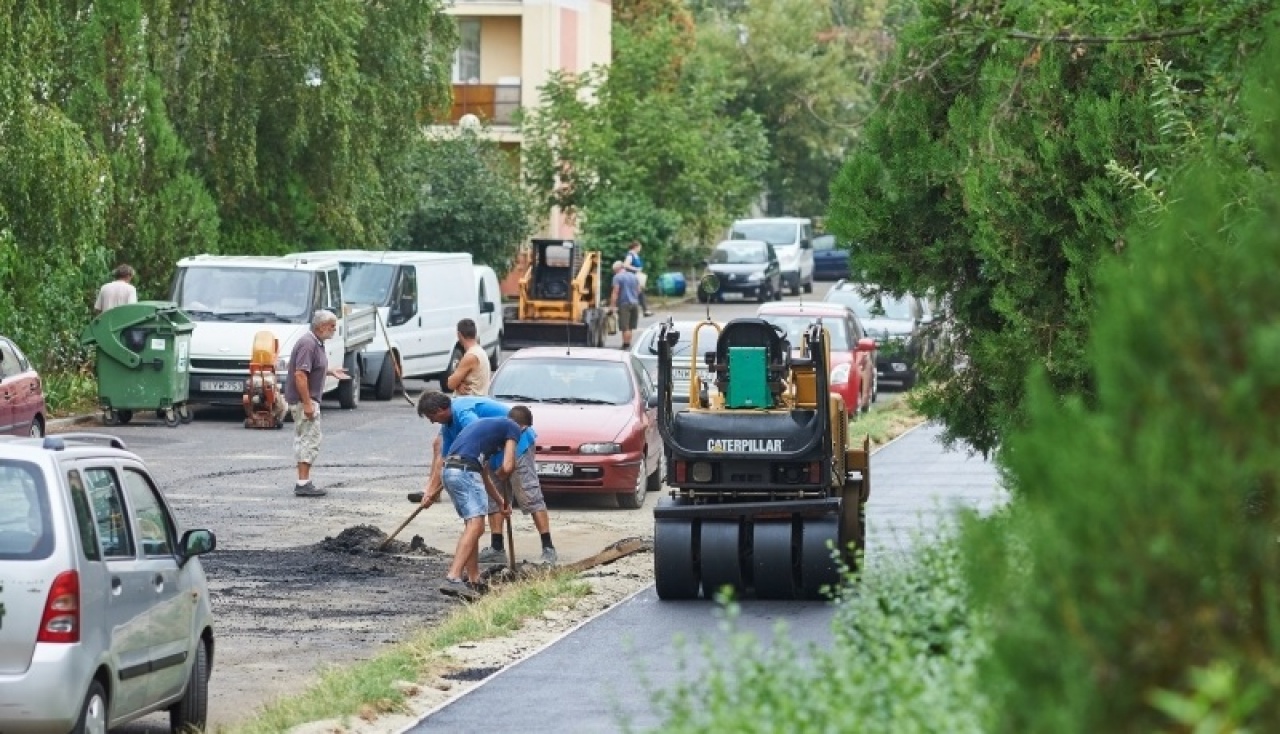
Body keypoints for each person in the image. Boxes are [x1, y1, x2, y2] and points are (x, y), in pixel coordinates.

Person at [417, 414, 517, 600]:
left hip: (451, 471)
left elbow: (484, 473)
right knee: (476, 526)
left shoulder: (485, 431)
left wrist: (501, 500)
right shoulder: (513, 427)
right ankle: (453, 577)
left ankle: (474, 579)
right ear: (524, 427)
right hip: (465, 472)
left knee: (472, 526)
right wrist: (504, 471)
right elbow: (508, 466)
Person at [418, 391, 513, 561]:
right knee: (473, 523)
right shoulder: (447, 425)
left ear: (442, 409)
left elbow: (481, 433)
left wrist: (502, 469)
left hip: (505, 447)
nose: (432, 421)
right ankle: (473, 574)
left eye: (432, 416)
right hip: (478, 460)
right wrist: (430, 491)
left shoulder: (463, 413)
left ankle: (455, 574)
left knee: (475, 523)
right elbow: (444, 457)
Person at [284, 310, 349, 497]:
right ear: (321, 327)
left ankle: (304, 481)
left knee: (307, 437)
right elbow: (300, 375)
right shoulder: (308, 344)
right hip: (306, 400)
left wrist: (329, 371)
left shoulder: (315, 342)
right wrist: (307, 403)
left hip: (308, 399)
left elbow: (312, 368)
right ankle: (303, 483)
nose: (334, 330)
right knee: (309, 439)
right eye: (332, 326)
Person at [488, 404, 557, 564]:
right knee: (494, 498)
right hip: (492, 454)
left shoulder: (521, 432)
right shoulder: (486, 425)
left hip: (520, 450)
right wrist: (497, 467)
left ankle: (548, 547)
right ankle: (496, 547)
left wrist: (506, 467)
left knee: (530, 494)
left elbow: (509, 462)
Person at [445, 318, 491, 396]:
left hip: (469, 403)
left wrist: (456, 384)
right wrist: (459, 385)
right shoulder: (480, 351)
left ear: (459, 335)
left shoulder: (471, 356)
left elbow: (450, 384)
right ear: (475, 334)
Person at [608, 261, 642, 350]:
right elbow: (638, 290)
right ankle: (628, 343)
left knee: (625, 326)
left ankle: (625, 345)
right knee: (630, 326)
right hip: (635, 303)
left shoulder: (617, 277)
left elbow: (615, 292)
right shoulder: (633, 276)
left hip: (624, 304)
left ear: (617, 269)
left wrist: (612, 306)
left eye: (614, 270)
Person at [623, 241, 654, 317]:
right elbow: (625, 265)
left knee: (640, 292)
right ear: (635, 247)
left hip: (637, 276)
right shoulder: (630, 255)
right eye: (639, 247)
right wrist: (635, 269)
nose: (640, 249)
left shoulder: (635, 255)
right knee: (638, 292)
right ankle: (641, 310)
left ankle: (644, 310)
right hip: (632, 277)